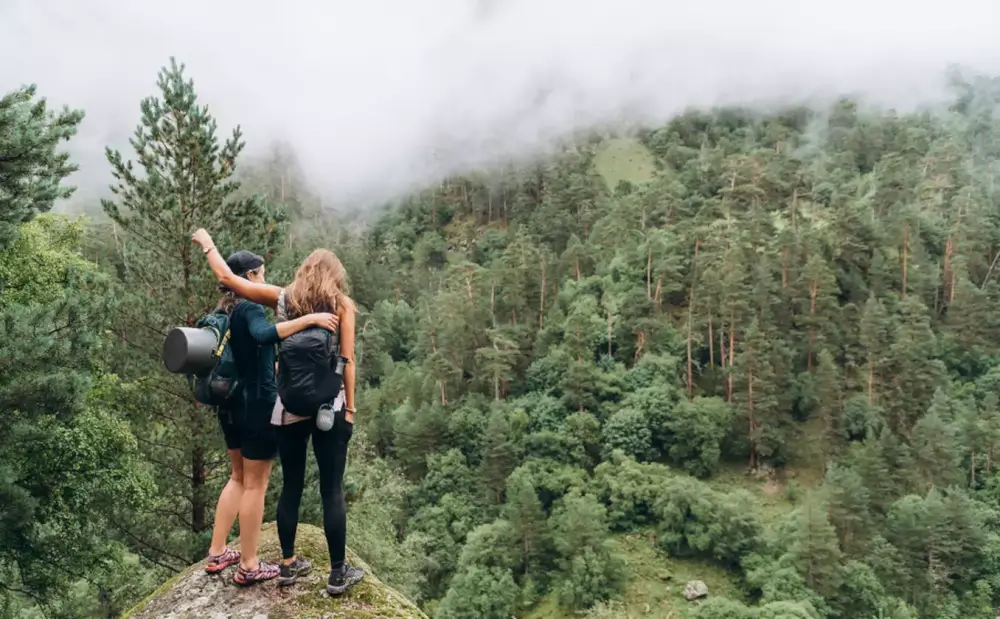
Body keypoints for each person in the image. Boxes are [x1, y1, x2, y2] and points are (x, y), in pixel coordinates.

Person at [192, 229, 364, 597]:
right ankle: (337, 575)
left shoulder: (284, 298)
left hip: (287, 408)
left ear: (304, 272)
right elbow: (347, 361)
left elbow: (226, 279)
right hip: (328, 407)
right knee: (332, 491)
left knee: (291, 487)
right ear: (335, 276)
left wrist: (208, 245)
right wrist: (350, 407)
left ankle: (286, 566)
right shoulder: (342, 305)